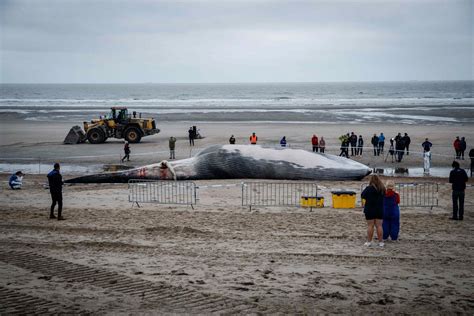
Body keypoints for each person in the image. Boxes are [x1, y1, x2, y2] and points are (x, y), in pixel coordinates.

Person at [361, 175, 386, 247]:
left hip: (370, 209)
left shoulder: (368, 188)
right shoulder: (382, 188)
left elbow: (363, 195)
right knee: (379, 226)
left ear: (371, 180)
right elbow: (384, 195)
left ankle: (369, 242)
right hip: (379, 209)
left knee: (370, 226)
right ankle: (381, 242)